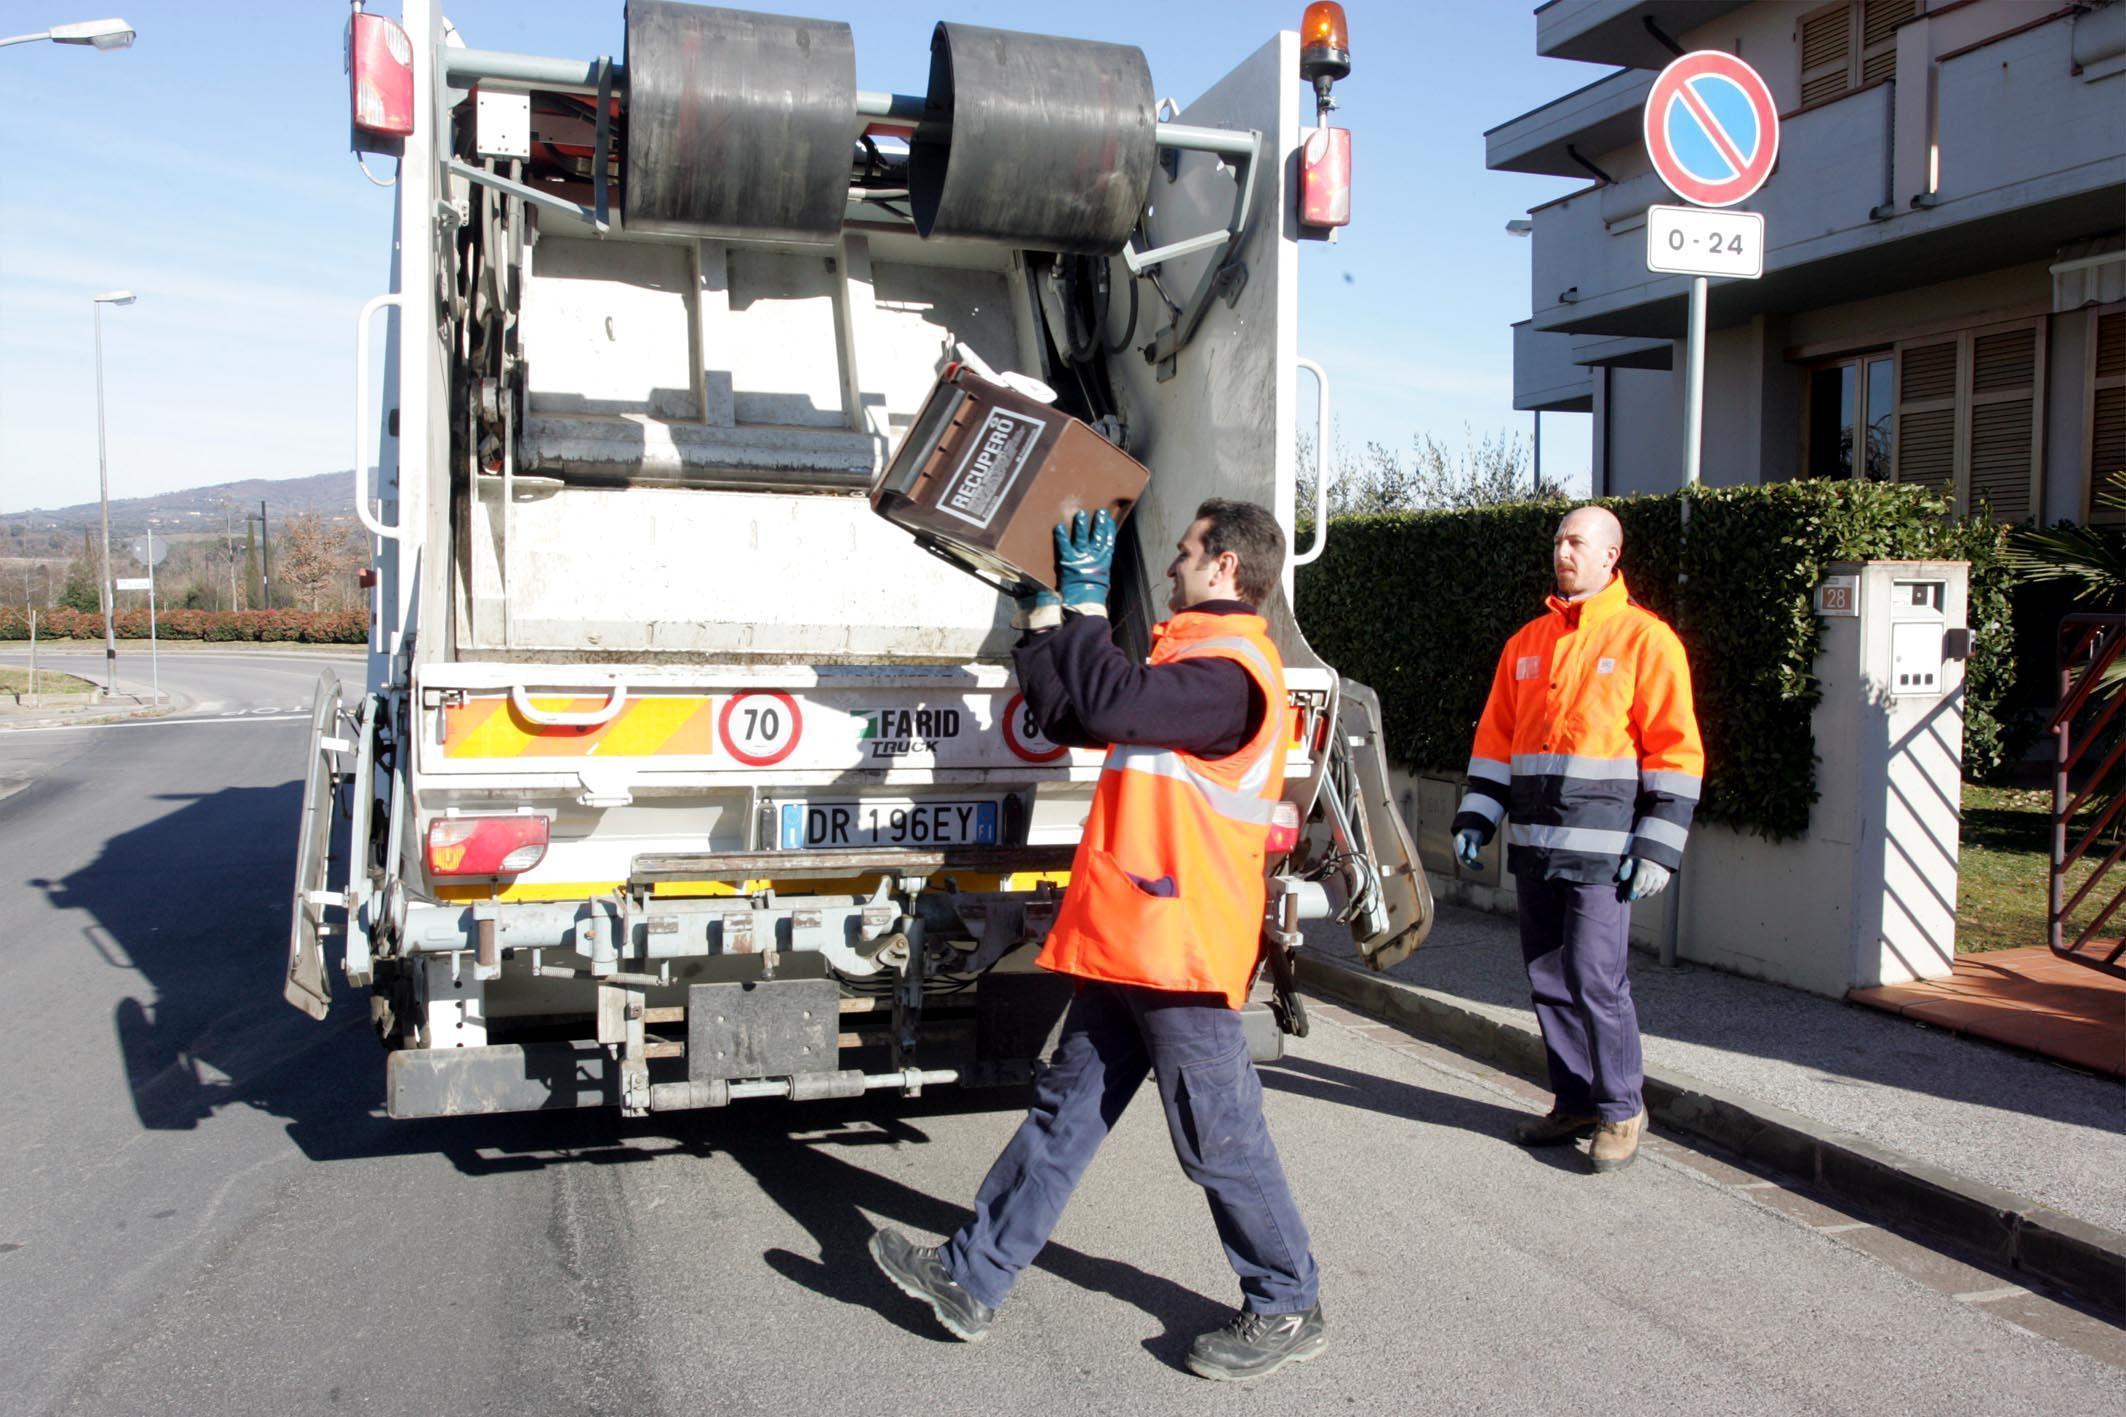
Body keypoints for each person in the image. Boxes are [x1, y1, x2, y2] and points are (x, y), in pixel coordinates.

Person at [868, 498, 1324, 1383]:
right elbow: (1080, 712)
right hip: (1131, 938)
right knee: (1064, 1112)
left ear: (1227, 568)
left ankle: (1288, 1300)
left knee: (1217, 1134)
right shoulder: (1187, 659)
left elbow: (1113, 701)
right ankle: (972, 1274)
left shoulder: (1233, 672)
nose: (1172, 565)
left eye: (1188, 552)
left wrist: (1083, 606)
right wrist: (1042, 621)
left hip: (1179, 946)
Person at [1450, 505, 1702, 1174]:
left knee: (1595, 976)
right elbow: (1496, 742)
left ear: (1610, 557)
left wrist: (1656, 845)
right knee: (1547, 978)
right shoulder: (1525, 643)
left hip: (1605, 852)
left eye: (1578, 541)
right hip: (1536, 841)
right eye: (1559, 538)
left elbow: (1677, 749)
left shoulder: (1647, 641)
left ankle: (1622, 1107)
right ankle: (1576, 1098)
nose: (1563, 550)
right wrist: (1478, 815)